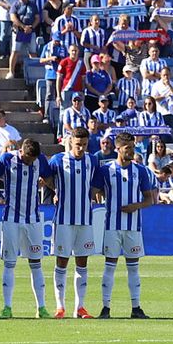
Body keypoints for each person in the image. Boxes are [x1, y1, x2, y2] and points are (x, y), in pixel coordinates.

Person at [42, 125, 107, 318]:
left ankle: (80, 307)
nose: (81, 148)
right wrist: (56, 192)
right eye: (78, 144)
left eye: (85, 145)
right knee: (61, 262)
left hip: (85, 220)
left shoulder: (92, 160)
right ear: (70, 142)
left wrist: (91, 196)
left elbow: (96, 185)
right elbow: (46, 178)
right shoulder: (58, 160)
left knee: (82, 262)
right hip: (63, 219)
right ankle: (60, 307)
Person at [100, 132, 158, 318]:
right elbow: (93, 191)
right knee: (110, 267)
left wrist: (136, 206)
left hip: (133, 226)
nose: (132, 151)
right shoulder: (106, 170)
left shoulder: (140, 171)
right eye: (128, 148)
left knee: (133, 268)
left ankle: (136, 308)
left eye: (133, 148)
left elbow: (150, 199)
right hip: (112, 226)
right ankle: (106, 308)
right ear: (118, 149)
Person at [0, 138, 50, 319]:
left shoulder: (40, 160)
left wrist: (57, 191)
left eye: (33, 159)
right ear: (21, 151)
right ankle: (7, 307)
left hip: (33, 219)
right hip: (11, 218)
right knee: (9, 263)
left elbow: (48, 178)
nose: (30, 162)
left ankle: (41, 308)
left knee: (36, 263)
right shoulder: (6, 159)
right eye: (28, 158)